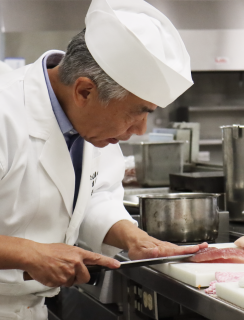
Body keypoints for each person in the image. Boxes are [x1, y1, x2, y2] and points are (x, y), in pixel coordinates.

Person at [0, 0, 207, 318]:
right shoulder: (5, 112)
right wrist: (29, 253)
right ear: (84, 91)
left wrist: (135, 238)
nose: (140, 130)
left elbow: (97, 197)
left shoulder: (92, 126)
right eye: (138, 113)